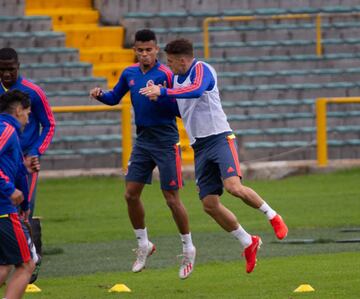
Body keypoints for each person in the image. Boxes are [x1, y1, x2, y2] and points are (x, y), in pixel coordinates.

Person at [140, 38, 288, 274]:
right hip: (200, 146)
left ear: (182, 60)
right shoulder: (177, 79)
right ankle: (248, 242)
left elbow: (197, 90)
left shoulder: (202, 70)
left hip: (220, 138)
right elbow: (182, 109)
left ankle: (273, 216)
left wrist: (165, 91)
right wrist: (160, 99)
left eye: (170, 61)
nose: (168, 66)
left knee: (233, 187)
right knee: (209, 204)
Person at [90, 29, 196, 279]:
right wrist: (100, 96)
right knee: (130, 194)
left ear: (156, 50)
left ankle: (188, 248)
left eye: (149, 50)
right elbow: (115, 98)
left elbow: (180, 108)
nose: (145, 54)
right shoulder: (129, 73)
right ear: (135, 51)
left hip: (166, 141)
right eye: (140, 50)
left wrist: (161, 96)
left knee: (171, 198)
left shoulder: (167, 74)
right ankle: (144, 244)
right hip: (143, 142)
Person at [0, 47, 56, 283]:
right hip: (3, 160)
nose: (5, 74)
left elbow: (50, 124)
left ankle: (30, 261)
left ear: (19, 66)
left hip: (25, 162)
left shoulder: (33, 92)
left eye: (10, 69)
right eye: (1, 70)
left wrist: (36, 152)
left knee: (23, 208)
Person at [0, 89, 38, 299]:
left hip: (7, 208)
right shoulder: (5, 129)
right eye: (28, 113)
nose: (28, 118)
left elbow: (11, 170)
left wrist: (24, 167)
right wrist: (8, 189)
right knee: (26, 265)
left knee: (3, 265)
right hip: (3, 209)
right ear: (17, 110)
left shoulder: (8, 132)